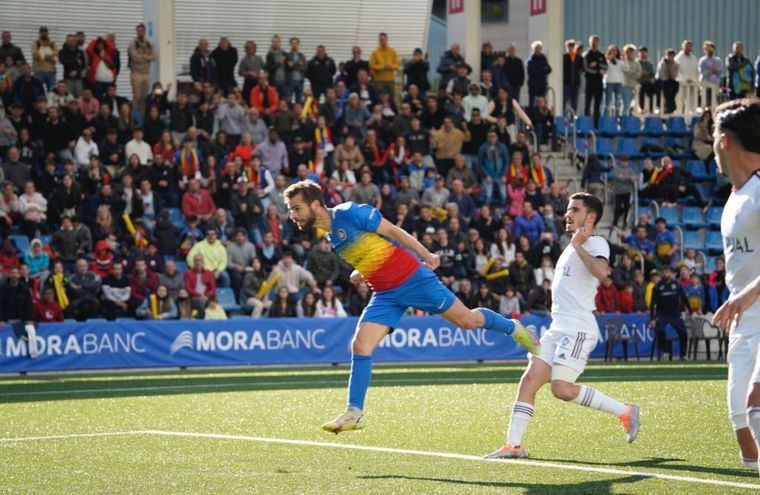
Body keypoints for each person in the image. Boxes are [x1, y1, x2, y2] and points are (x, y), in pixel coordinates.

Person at [283, 180, 540, 433]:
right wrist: (360, 270)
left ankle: (514, 328)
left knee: (467, 320)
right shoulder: (329, 234)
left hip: (412, 279)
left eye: (296, 208)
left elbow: (393, 231)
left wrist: (426, 254)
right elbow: (371, 249)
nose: (292, 214)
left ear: (315, 204)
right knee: (360, 345)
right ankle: (354, 412)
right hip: (384, 293)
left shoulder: (349, 212)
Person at [485, 193, 639, 460]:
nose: (568, 214)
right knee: (529, 380)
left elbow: (603, 274)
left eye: (575, 210)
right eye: (568, 210)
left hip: (578, 327)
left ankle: (624, 411)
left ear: (590, 217)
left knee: (562, 389)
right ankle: (514, 446)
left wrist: (579, 245)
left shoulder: (595, 242)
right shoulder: (569, 246)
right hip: (559, 326)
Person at [709, 97, 760, 472]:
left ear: (724, 140)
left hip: (753, 305)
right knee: (741, 419)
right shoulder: (734, 198)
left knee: (757, 404)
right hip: (745, 321)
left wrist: (746, 294)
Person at [649, 265, 689, 360]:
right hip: (662, 313)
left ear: (671, 273)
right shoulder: (657, 286)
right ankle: (666, 352)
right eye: (664, 272)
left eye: (668, 271)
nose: (666, 273)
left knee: (683, 332)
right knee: (660, 330)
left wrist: (690, 312)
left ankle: (683, 354)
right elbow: (652, 304)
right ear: (662, 273)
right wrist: (652, 319)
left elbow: (684, 299)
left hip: (675, 313)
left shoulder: (677, 285)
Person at [584, 35, 607, 126]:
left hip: (599, 83)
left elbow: (605, 66)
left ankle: (596, 124)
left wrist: (597, 66)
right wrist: (598, 70)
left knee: (597, 105)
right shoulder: (586, 55)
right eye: (593, 41)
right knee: (588, 104)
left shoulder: (601, 55)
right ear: (590, 42)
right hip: (589, 83)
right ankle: (586, 123)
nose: (595, 43)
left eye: (597, 41)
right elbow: (586, 68)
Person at [370, 33, 399, 99]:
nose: (382, 40)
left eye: (383, 39)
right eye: (380, 39)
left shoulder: (393, 51)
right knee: (378, 98)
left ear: (387, 39)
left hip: (390, 80)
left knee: (391, 99)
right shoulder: (375, 52)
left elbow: (397, 64)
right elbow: (372, 65)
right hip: (378, 81)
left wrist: (391, 66)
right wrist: (383, 67)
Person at [563, 39, 584, 112]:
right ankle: (564, 117)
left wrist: (580, 71)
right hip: (566, 83)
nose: (571, 48)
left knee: (574, 103)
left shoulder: (579, 57)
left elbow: (582, 68)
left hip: (575, 83)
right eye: (569, 46)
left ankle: (573, 119)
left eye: (572, 46)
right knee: (564, 101)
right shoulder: (564, 57)